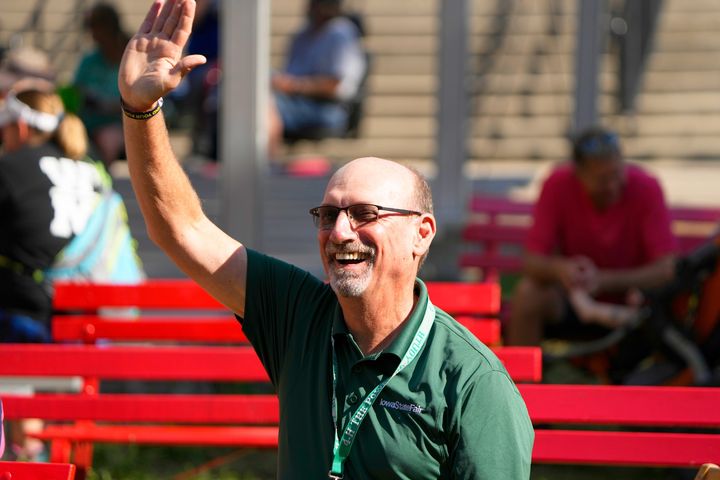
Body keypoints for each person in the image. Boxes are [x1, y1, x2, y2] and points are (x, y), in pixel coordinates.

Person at [117, 1, 533, 477]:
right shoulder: (298, 316)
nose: (339, 232)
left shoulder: (473, 383)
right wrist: (139, 109)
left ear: (422, 234)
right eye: (328, 213)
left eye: (364, 214)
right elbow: (181, 228)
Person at [507, 126, 678, 352]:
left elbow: (667, 267)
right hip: (575, 301)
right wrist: (561, 269)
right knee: (527, 294)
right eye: (602, 179)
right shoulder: (557, 184)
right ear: (578, 174)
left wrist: (602, 281)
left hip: (635, 303)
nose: (612, 186)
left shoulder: (646, 186)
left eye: (617, 174)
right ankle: (516, 383)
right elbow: (531, 261)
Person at [268, 0, 367, 157]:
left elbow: (336, 86)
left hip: (327, 109)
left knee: (264, 106)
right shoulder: (302, 35)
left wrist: (295, 86)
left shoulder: (340, 34)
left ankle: (263, 165)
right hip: (294, 102)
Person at [71, 3, 131, 168]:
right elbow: (76, 91)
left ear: (110, 27)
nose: (93, 35)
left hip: (124, 124)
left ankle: (103, 183)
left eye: (95, 28)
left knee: (108, 137)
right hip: (88, 122)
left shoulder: (132, 56)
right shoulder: (89, 61)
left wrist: (109, 105)